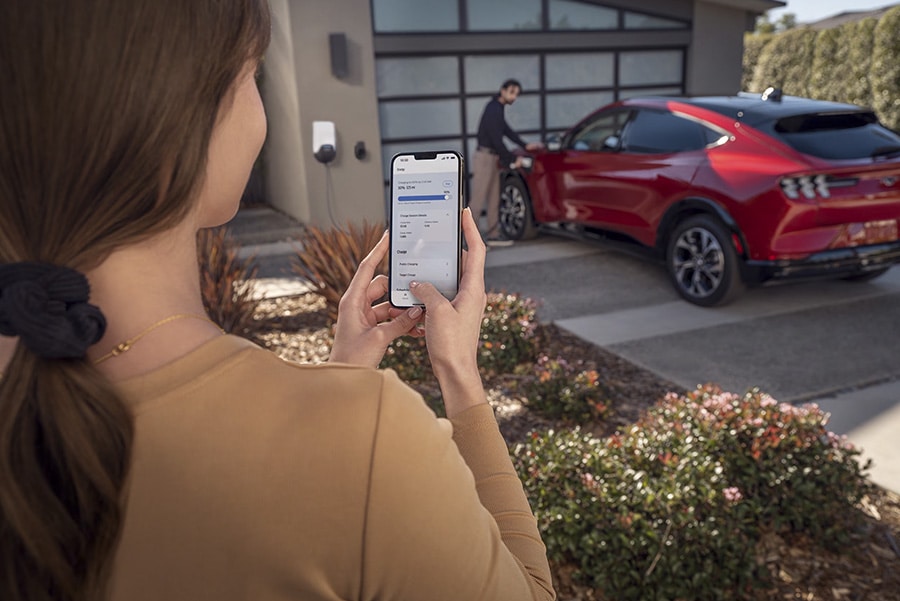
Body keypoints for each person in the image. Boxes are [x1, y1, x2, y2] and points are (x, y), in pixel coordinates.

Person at [0, 2, 555, 600]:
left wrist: (340, 381)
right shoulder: (370, 441)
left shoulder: (23, 383)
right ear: (181, 121)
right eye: (250, 75)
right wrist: (458, 374)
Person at [469, 79, 544, 246]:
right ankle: (469, 241)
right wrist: (511, 159)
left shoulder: (499, 108)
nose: (514, 97)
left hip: (493, 157)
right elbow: (496, 138)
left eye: (516, 94)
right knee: (478, 200)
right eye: (511, 92)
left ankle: (493, 235)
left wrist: (525, 145)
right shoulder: (492, 108)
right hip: (484, 157)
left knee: (494, 196)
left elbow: (507, 131)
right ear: (502, 90)